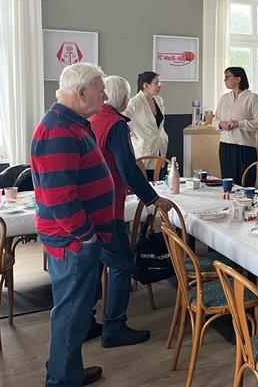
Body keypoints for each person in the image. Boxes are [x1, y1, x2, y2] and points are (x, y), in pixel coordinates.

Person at [31, 63, 113, 386]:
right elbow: (60, 199)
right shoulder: (59, 131)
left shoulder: (71, 124)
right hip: (73, 242)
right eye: (100, 91)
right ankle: (62, 380)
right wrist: (87, 236)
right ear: (81, 93)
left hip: (74, 240)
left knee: (76, 313)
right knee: (71, 313)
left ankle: (68, 372)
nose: (105, 97)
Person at [88, 76, 174, 347]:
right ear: (124, 99)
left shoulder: (92, 118)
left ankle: (86, 322)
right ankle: (114, 328)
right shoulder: (115, 124)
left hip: (91, 205)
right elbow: (128, 168)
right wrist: (153, 198)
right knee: (123, 263)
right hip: (107, 205)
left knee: (95, 265)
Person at [212, 66, 258, 186]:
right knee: (228, 184)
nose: (224, 80)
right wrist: (220, 124)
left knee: (245, 183)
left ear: (238, 79)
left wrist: (239, 124)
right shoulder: (224, 98)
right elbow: (215, 120)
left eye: (227, 77)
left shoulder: (252, 98)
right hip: (225, 146)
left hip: (245, 147)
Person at [124, 71, 168, 180]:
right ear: (146, 85)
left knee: (158, 181)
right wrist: (129, 131)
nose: (160, 85)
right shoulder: (134, 102)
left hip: (159, 146)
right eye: (156, 83)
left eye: (160, 82)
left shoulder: (159, 100)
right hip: (143, 148)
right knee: (144, 181)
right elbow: (121, 117)